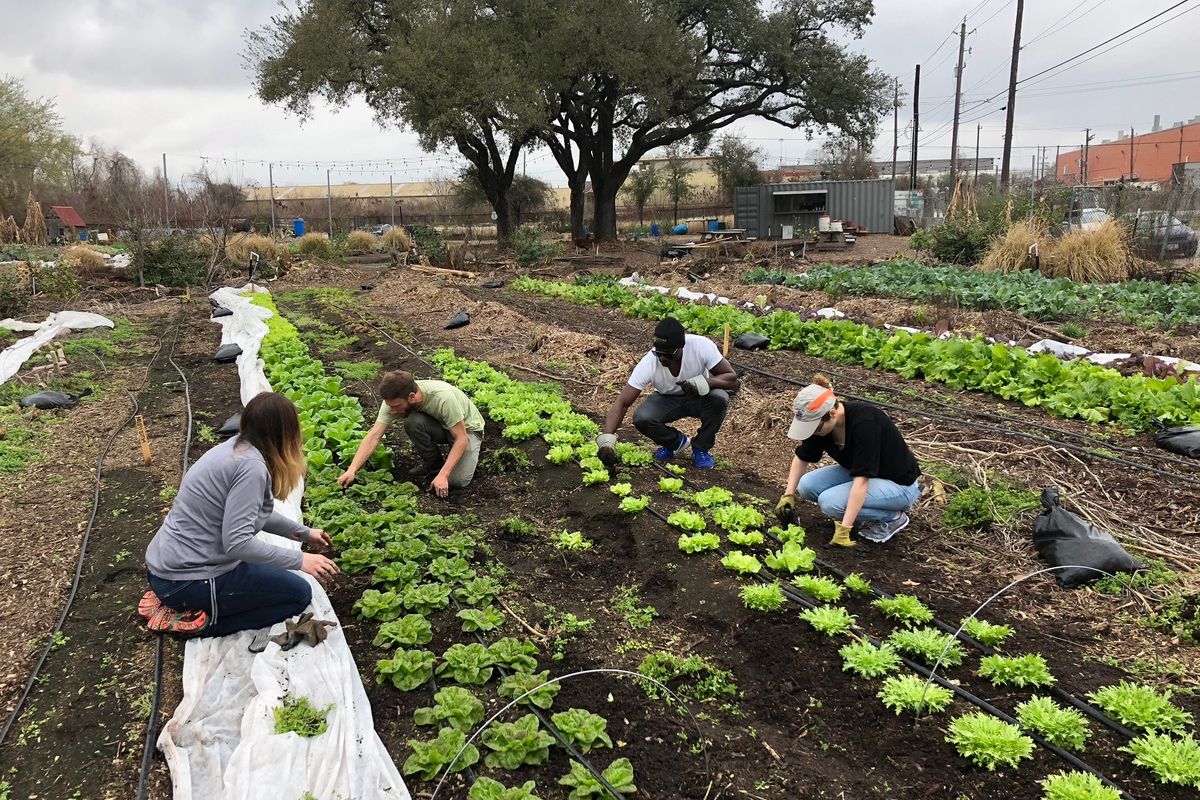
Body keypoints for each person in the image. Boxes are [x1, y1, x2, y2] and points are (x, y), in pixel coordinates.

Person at [142, 392, 339, 636]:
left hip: (168, 570)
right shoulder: (251, 469)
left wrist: (304, 533)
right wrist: (300, 561)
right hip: (190, 580)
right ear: (284, 433)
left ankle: (175, 600)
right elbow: (237, 543)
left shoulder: (236, 450)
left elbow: (255, 515)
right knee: (298, 595)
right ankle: (201, 622)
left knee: (278, 579)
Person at [775, 375, 921, 546]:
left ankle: (893, 518)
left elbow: (861, 480)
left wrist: (845, 528)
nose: (812, 432)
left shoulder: (865, 423)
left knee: (830, 503)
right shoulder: (820, 425)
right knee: (806, 485)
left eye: (815, 427)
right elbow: (802, 457)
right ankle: (857, 514)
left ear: (832, 413)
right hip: (866, 473)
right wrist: (788, 494)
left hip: (898, 484)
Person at [596, 317, 737, 470]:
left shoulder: (701, 346)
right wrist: (607, 441)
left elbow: (731, 379)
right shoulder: (649, 362)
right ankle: (675, 442)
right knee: (642, 418)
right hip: (667, 399)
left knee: (719, 398)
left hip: (699, 396)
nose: (663, 358)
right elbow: (622, 402)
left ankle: (701, 449)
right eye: (659, 353)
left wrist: (703, 382)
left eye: (669, 354)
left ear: (681, 347)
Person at [339, 370, 484, 498]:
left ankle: (446, 469)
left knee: (457, 481)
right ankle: (434, 464)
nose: (392, 411)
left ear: (412, 397)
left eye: (396, 407)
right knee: (413, 422)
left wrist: (444, 475)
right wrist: (352, 469)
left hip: (467, 430)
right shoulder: (392, 400)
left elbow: (461, 438)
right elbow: (374, 436)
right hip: (440, 426)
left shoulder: (443, 398)